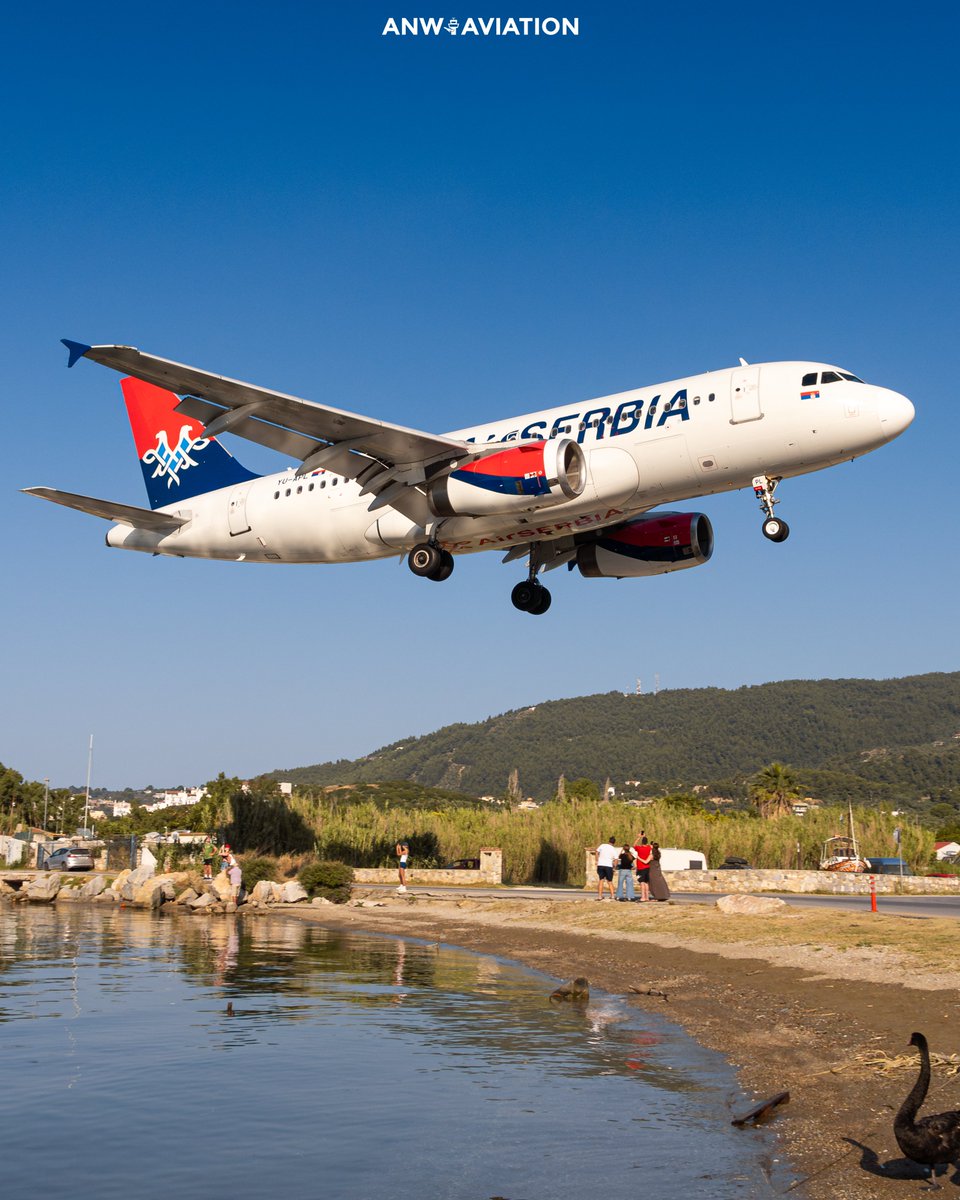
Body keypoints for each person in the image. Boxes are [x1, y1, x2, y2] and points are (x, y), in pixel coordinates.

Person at [595, 835, 618, 901]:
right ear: (614, 843)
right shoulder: (613, 849)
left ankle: (600, 896)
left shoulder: (602, 845)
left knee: (601, 880)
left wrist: (597, 860)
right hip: (608, 866)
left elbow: (597, 852)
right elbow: (616, 859)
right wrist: (614, 867)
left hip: (600, 865)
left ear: (609, 841)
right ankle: (612, 896)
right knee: (610, 881)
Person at [634, 835, 653, 902]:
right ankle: (647, 897)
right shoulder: (649, 848)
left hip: (640, 867)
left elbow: (634, 845)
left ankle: (643, 897)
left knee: (642, 883)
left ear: (642, 842)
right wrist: (645, 836)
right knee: (646, 883)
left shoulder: (639, 848)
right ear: (647, 842)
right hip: (647, 867)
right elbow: (651, 846)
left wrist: (639, 837)